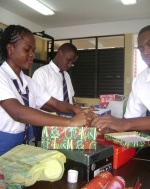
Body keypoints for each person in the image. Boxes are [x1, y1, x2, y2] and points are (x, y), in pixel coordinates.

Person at [0, 25, 94, 155]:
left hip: (23, 143)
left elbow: (54, 103)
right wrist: (70, 122)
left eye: (33, 50)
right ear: (10, 49)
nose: (32, 54)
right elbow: (18, 112)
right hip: (3, 144)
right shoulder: (1, 76)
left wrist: (77, 110)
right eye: (27, 50)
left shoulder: (28, 81)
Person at [91, 25, 150, 133]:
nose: (145, 53)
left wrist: (125, 124)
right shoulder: (140, 80)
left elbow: (127, 123)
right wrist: (106, 130)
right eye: (141, 50)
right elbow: (131, 119)